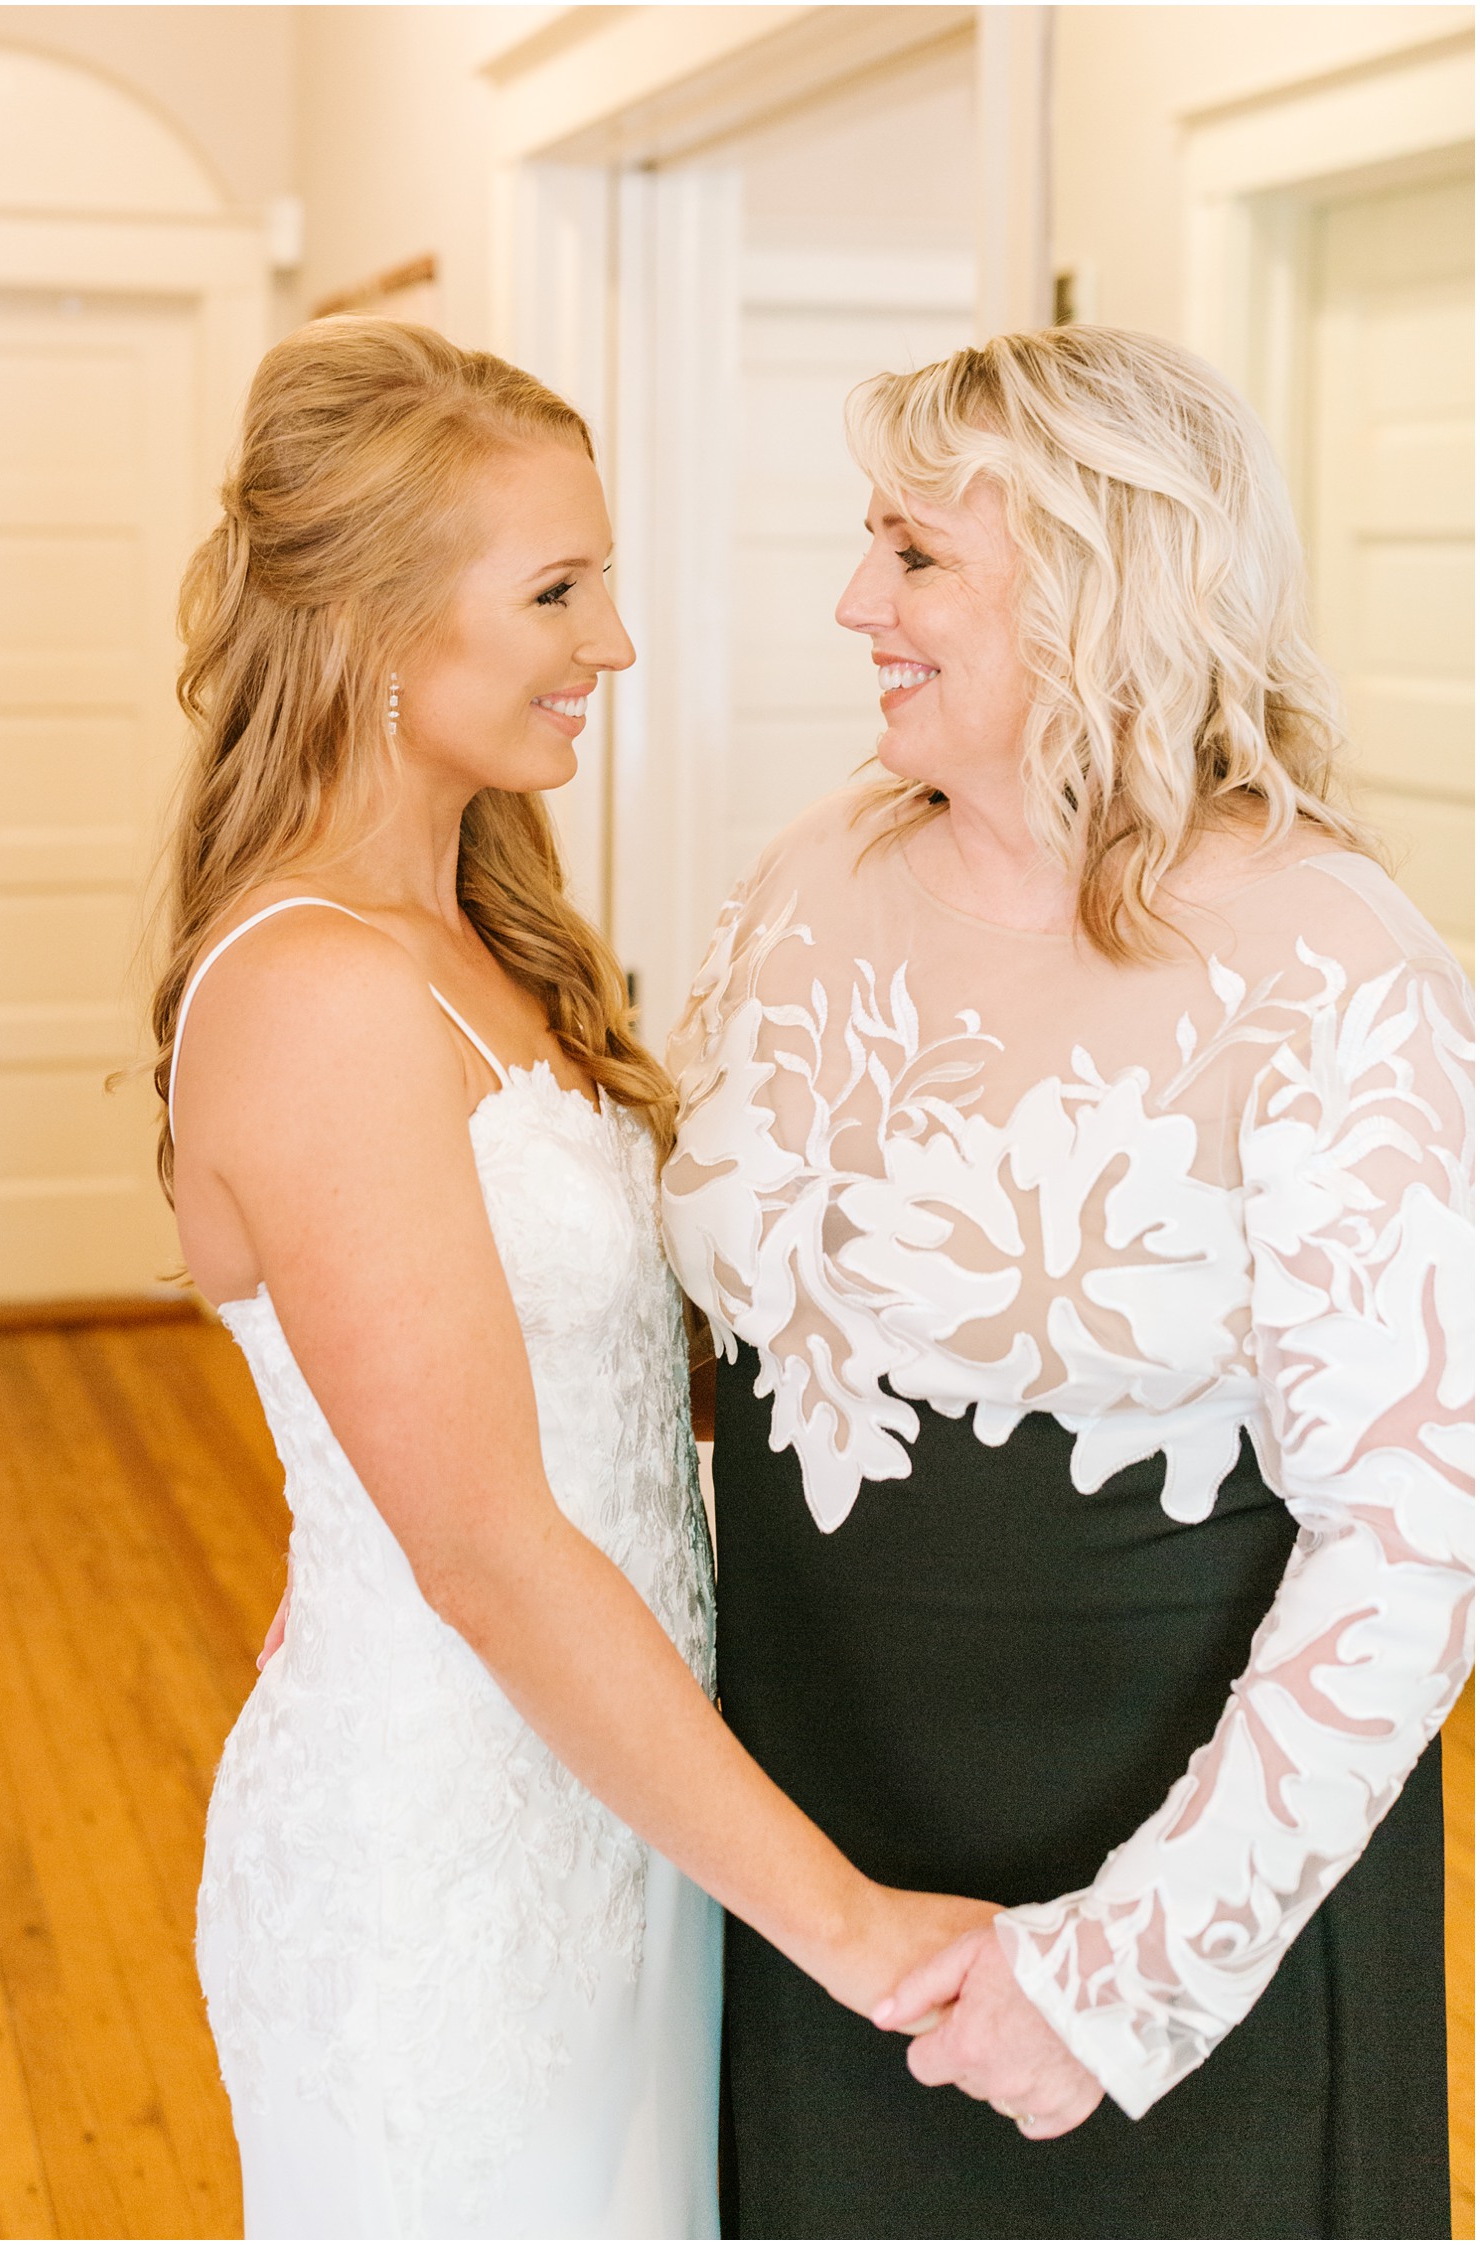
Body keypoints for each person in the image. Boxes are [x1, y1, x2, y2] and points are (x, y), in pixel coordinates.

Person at [157, 317, 992, 2242]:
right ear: (373, 626)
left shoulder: (487, 930)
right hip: (449, 1853)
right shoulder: (311, 995)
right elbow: (485, 1547)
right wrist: (852, 1927)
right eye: (557, 588)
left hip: (629, 1792)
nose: (611, 642)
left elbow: (619, 1369)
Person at [662, 326, 1474, 2240]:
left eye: (917, 554)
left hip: (1162, 1891)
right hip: (817, 1848)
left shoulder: (1326, 958)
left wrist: (1122, 1976)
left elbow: (1419, 1532)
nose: (859, 600)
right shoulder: (807, 876)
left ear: (1106, 572)